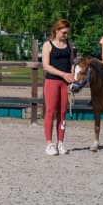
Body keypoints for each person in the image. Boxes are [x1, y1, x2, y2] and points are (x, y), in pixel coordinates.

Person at [40, 19, 74, 156]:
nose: (66, 35)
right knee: (50, 111)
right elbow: (46, 66)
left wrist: (71, 75)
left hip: (65, 83)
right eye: (64, 32)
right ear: (56, 30)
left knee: (62, 113)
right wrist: (62, 74)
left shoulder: (69, 45)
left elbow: (72, 62)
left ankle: (60, 142)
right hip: (52, 82)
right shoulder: (47, 45)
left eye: (67, 33)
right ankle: (49, 143)